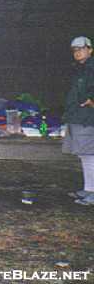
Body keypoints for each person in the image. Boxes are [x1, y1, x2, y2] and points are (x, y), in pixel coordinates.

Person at [63, 36, 94, 205]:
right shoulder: (79, 69)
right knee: (85, 155)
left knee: (91, 155)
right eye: (74, 50)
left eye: (81, 49)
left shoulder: (91, 68)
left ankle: (93, 192)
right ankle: (88, 189)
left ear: (90, 49)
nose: (77, 52)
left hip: (88, 118)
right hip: (77, 116)